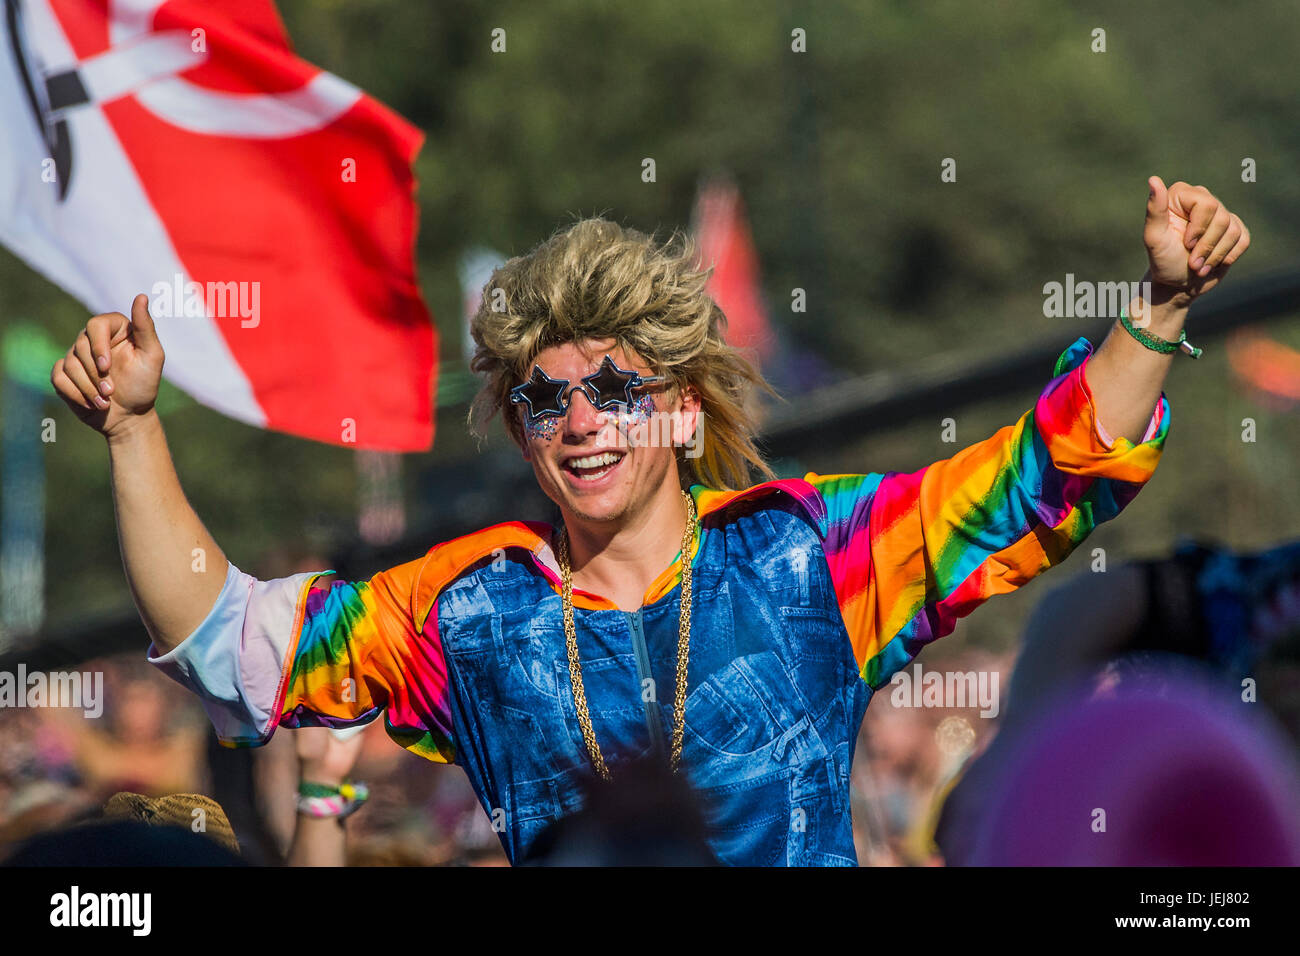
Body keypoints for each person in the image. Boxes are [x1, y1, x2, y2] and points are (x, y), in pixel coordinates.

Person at [50, 179, 1250, 865]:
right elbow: (223, 638)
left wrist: (1156, 309)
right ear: (521, 429)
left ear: (678, 407)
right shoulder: (465, 608)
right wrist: (132, 430)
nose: (581, 421)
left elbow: (1050, 475)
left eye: (616, 388)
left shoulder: (801, 554)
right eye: (545, 398)